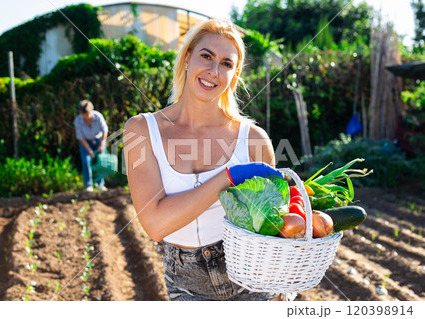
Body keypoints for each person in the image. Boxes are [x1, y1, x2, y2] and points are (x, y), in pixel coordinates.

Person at [123, 19, 296, 301]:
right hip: (187, 283)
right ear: (188, 58)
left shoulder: (253, 139)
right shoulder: (142, 130)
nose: (214, 71)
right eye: (206, 56)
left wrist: (280, 292)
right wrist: (227, 178)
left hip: (250, 277)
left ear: (235, 74)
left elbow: (272, 227)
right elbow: (155, 225)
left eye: (227, 64)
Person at [74, 99, 108, 192]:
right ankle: (89, 185)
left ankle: (100, 184)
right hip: (86, 142)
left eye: (87, 115)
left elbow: (105, 131)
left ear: (90, 112)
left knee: (100, 161)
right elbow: (80, 138)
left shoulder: (98, 116)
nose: (85, 117)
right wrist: (89, 150)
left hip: (99, 140)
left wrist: (101, 144)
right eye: (83, 115)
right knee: (86, 161)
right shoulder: (78, 121)